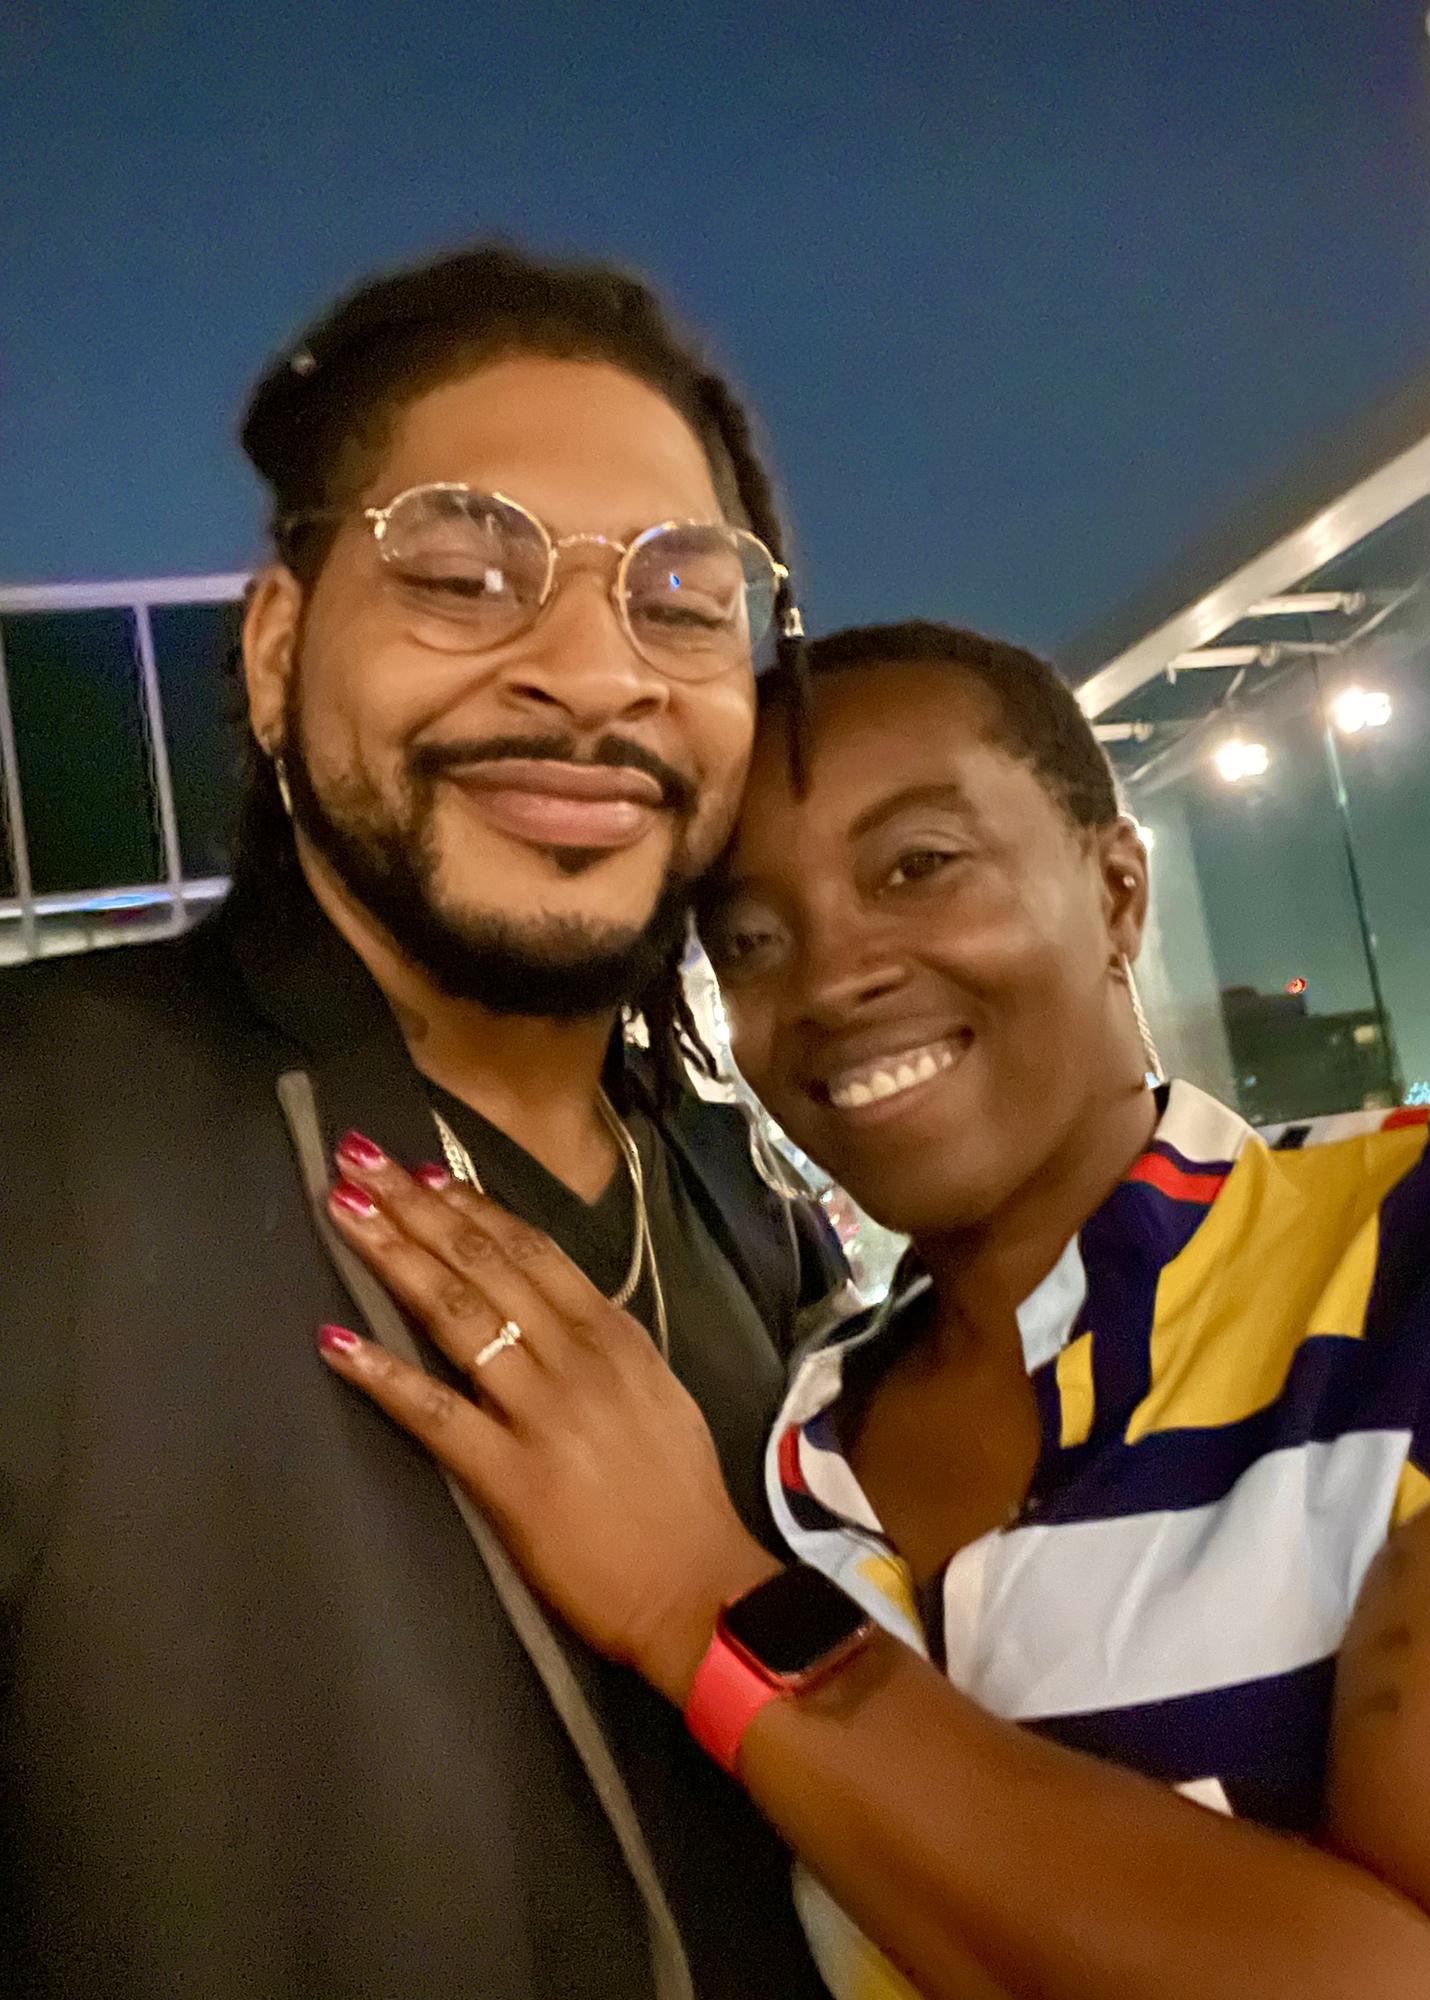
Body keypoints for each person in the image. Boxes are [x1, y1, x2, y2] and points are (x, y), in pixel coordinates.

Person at [320, 619, 1430, 2000]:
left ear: (1118, 890)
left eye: (918, 867)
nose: (831, 981)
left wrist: (706, 1607)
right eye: (750, 941)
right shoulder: (790, 1437)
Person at [0, 242, 847, 1999]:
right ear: (277, 650)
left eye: (684, 602)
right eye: (464, 577)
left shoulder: (741, 1199)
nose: (595, 675)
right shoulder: (44, 1135)